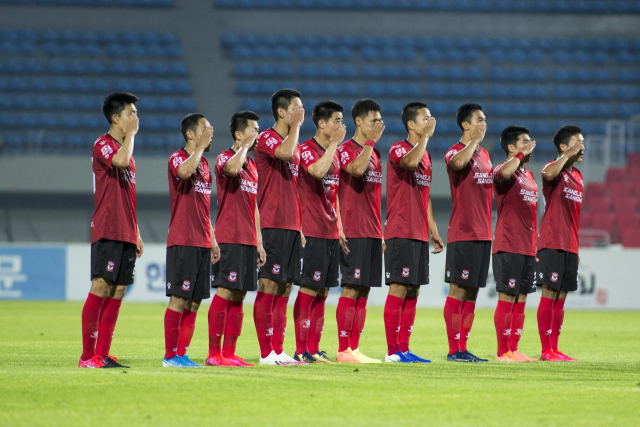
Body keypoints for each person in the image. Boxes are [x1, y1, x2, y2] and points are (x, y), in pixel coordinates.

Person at [79, 92, 144, 368]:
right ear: (116, 118)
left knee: (118, 290)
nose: (135, 117)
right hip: (107, 227)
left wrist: (137, 231)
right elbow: (117, 161)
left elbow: (129, 194)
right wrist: (130, 137)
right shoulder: (103, 145)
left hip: (126, 230)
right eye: (130, 112)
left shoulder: (128, 153)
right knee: (101, 286)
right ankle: (87, 356)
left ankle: (103, 353)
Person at [383, 102, 443, 363]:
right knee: (399, 287)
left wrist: (433, 229)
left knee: (413, 290)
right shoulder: (400, 149)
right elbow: (410, 162)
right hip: (401, 229)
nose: (430, 122)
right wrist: (426, 138)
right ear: (411, 124)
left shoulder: (426, 155)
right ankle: (392, 351)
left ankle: (404, 348)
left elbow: (425, 194)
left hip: (418, 232)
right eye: (425, 118)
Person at [208, 111, 267, 366]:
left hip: (247, 238)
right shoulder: (225, 157)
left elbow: (254, 205)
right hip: (229, 236)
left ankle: (230, 353)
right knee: (225, 290)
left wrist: (259, 241)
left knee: (240, 294)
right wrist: (243, 147)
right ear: (239, 134)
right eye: (253, 129)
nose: (257, 134)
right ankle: (214, 354)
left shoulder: (252, 165)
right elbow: (231, 170)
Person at [253, 89, 307, 365]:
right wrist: (296, 128)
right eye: (296, 108)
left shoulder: (292, 141)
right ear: (281, 112)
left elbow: (294, 188)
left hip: (290, 224)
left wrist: (299, 225)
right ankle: (265, 353)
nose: (301, 112)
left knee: (285, 288)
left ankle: (278, 349)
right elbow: (284, 154)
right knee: (269, 285)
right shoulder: (267, 138)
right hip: (272, 222)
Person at [292, 101, 347, 364]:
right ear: (321, 123)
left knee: (324, 291)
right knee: (309, 289)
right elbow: (317, 172)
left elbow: (334, 191)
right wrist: (335, 144)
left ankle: (313, 348)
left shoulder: (332, 152)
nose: (341, 125)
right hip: (312, 229)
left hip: (330, 230)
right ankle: (300, 349)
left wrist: (340, 226)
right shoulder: (305, 150)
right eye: (336, 120)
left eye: (341, 120)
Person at [162, 113, 217, 368]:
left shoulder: (205, 164)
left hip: (203, 241)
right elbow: (184, 173)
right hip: (183, 240)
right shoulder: (178, 158)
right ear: (191, 134)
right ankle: (170, 356)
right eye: (205, 129)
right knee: (179, 299)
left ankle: (182, 354)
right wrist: (200, 150)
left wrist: (213, 239)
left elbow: (204, 207)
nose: (211, 132)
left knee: (194, 302)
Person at [334, 99, 385, 364]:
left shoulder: (374, 153)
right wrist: (370, 144)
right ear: (358, 122)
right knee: (351, 288)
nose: (378, 125)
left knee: (364, 291)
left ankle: (354, 348)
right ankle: (343, 348)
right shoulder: (346, 149)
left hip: (373, 231)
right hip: (353, 228)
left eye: (380, 121)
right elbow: (356, 169)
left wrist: (380, 232)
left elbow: (374, 197)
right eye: (373, 120)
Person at [442, 103, 491, 363]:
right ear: (466, 124)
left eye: (485, 119)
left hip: (483, 233)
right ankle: (453, 349)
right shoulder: (456, 151)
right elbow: (459, 163)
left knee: (472, 293)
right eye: (479, 119)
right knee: (458, 290)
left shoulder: (484, 154)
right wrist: (473, 143)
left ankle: (463, 347)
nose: (484, 123)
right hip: (464, 232)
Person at [536, 125, 585, 362]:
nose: (582, 147)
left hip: (570, 245)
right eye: (578, 143)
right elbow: (546, 175)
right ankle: (546, 350)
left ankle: (555, 349)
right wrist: (565, 156)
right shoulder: (552, 169)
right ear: (564, 146)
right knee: (550, 293)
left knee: (562, 297)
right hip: (552, 241)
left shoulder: (578, 176)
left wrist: (575, 247)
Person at [491, 126, 539, 363]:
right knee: (507, 297)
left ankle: (514, 348)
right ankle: (502, 352)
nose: (530, 144)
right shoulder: (503, 168)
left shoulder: (528, 174)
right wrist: (519, 156)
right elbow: (501, 175)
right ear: (511, 147)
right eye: (524, 141)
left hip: (527, 248)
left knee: (521, 299)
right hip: (508, 244)